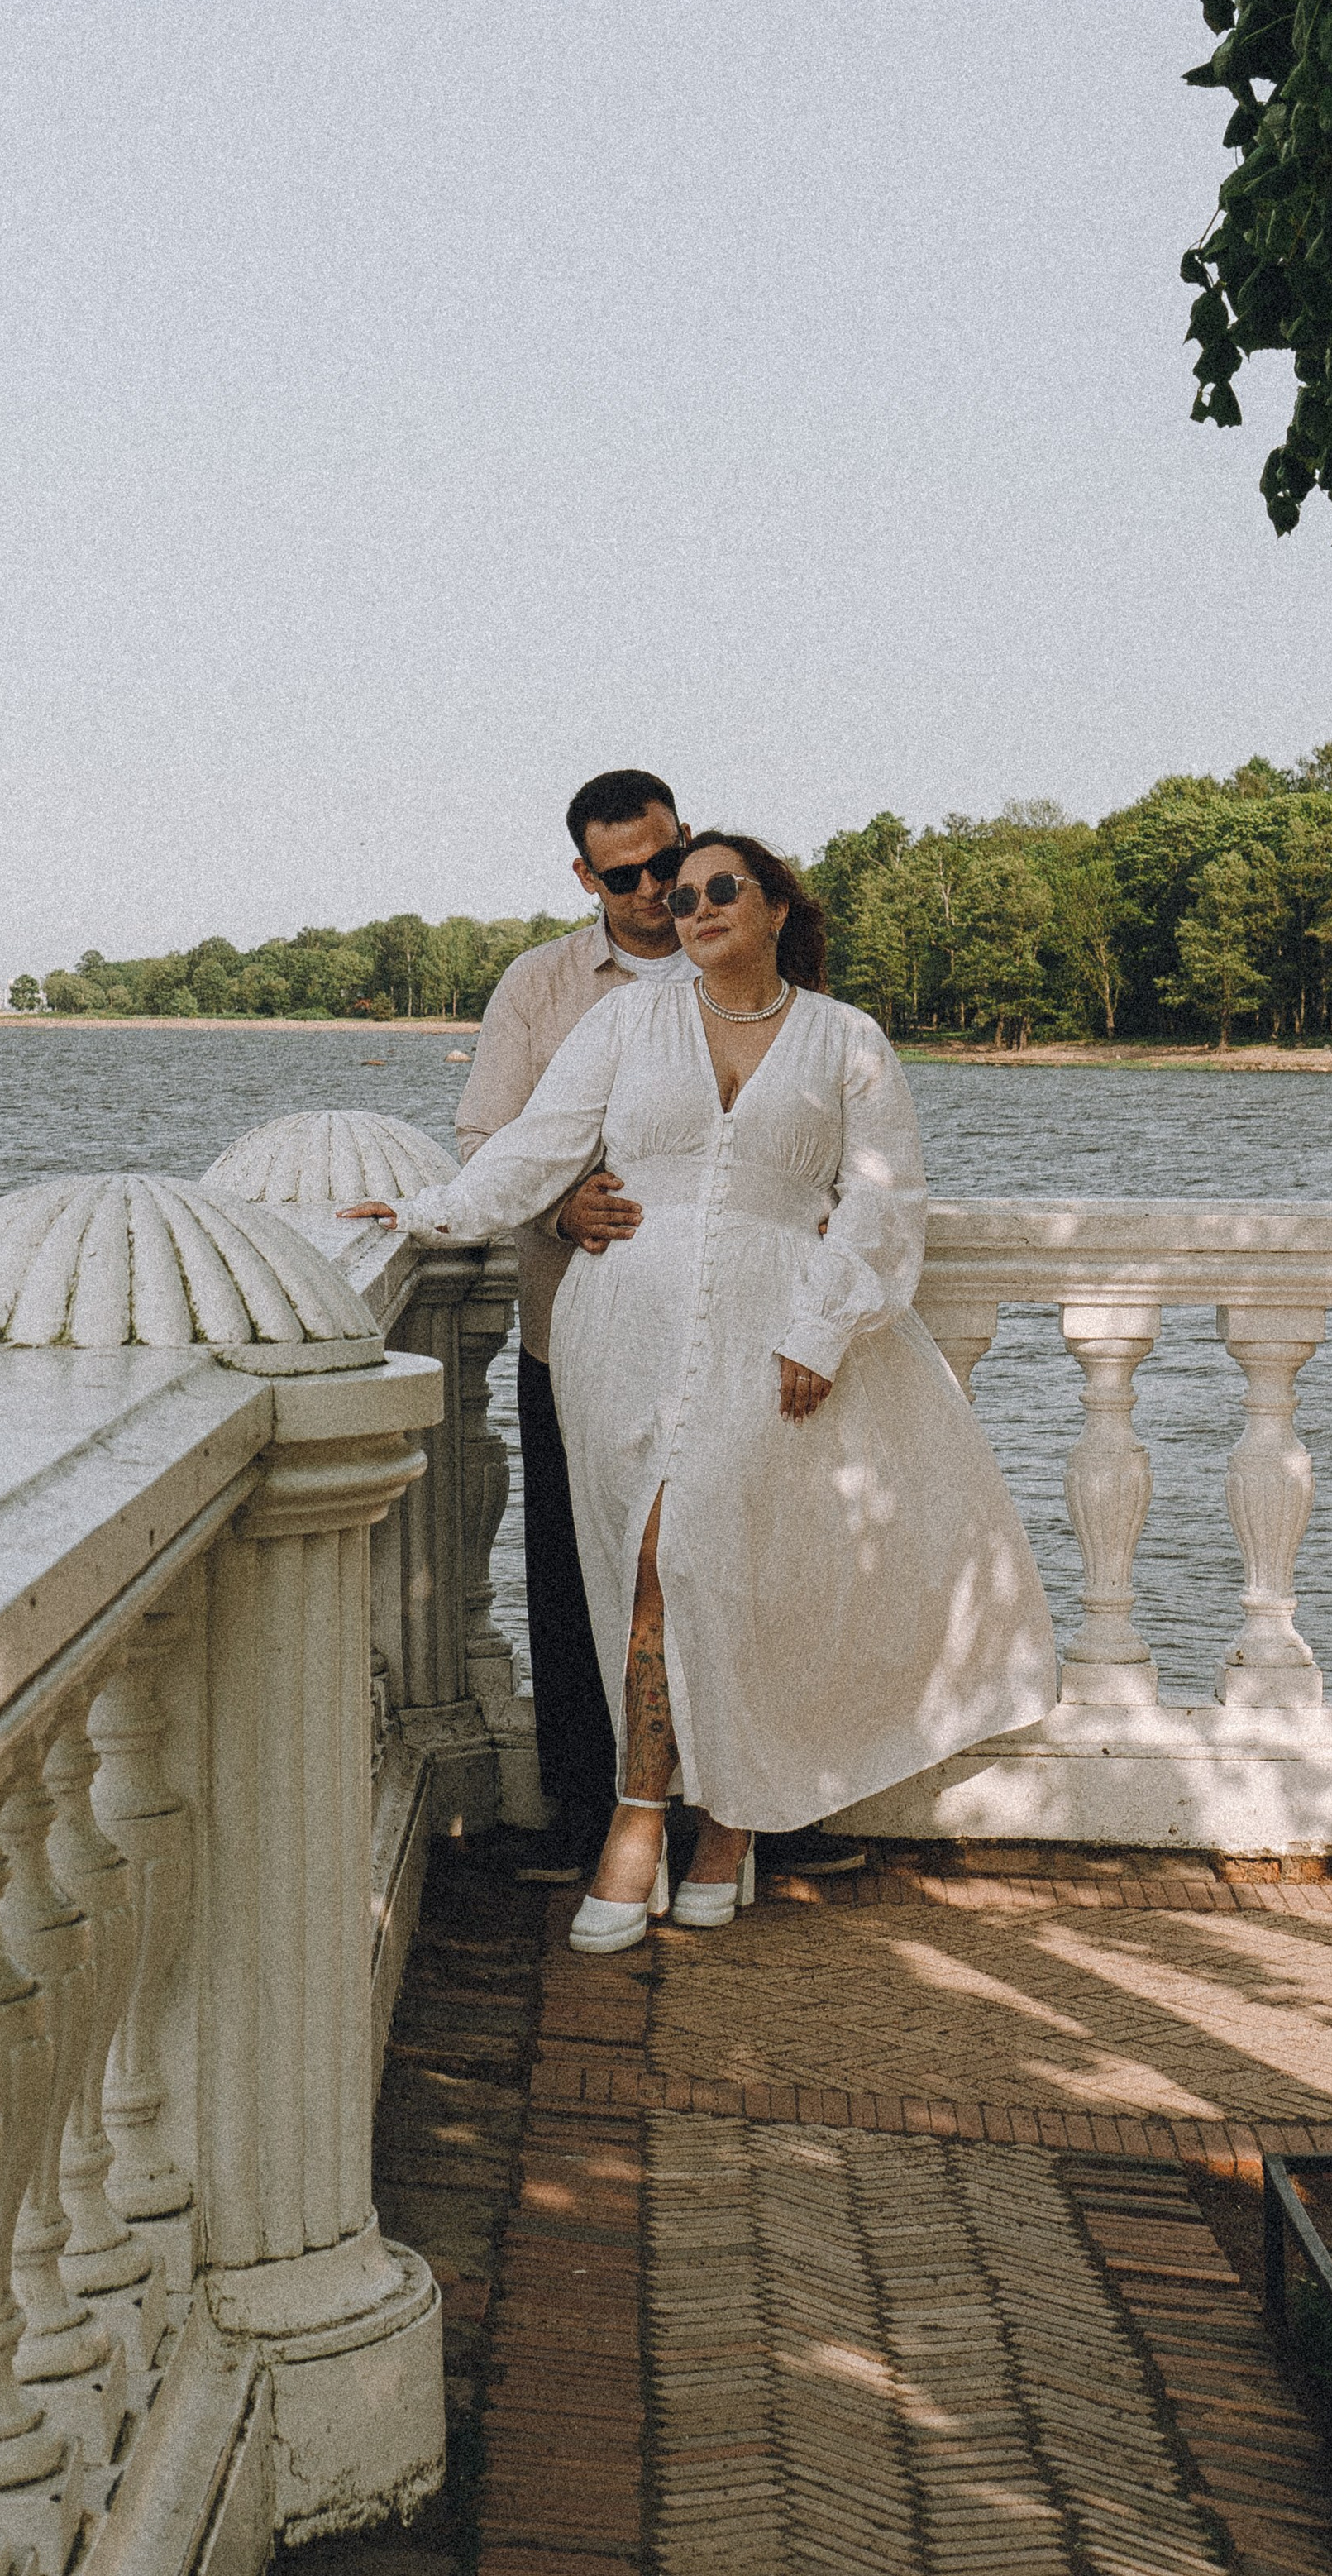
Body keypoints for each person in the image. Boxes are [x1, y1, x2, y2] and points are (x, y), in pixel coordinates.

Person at [346, 829, 1055, 1953]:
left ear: (777, 908)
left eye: (721, 888)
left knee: (720, 1562)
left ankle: (717, 1825)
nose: (694, 907)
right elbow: (540, 1145)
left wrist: (825, 1327)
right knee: (644, 1561)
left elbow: (884, 1202)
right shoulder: (626, 1022)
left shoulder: (846, 1040)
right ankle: (655, 1816)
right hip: (620, 1327)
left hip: (772, 1330)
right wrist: (427, 1215)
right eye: (679, 897)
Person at [452, 775, 865, 1890]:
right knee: (587, 1574)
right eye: (624, 876)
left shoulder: (747, 964)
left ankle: (761, 1813)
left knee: (752, 1567)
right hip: (584, 1336)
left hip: (745, 1342)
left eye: (665, 863)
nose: (653, 892)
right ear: (585, 878)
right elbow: (495, 1134)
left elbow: (826, 1137)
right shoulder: (541, 987)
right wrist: (560, 1202)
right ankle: (598, 1818)